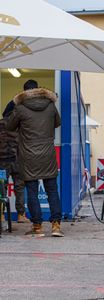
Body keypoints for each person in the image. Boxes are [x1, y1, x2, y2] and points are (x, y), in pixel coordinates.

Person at [6, 79, 63, 237]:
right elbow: (57, 123)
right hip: (47, 154)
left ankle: (37, 227)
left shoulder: (21, 107)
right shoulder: (50, 105)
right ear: (38, 89)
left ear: (24, 92)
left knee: (31, 191)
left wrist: (14, 105)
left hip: (28, 155)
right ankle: (56, 226)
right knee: (52, 189)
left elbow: (9, 126)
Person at [0, 106, 28, 223]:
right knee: (20, 187)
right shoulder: (19, 126)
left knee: (1, 188)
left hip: (2, 162)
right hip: (17, 161)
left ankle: (1, 215)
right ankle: (21, 215)